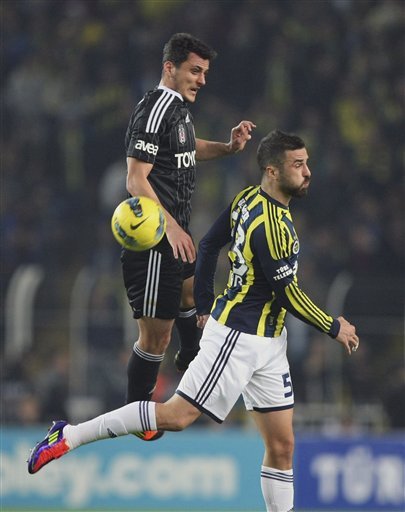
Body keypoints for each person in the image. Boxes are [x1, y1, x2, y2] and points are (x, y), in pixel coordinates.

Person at [28, 129, 359, 512]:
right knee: (176, 415)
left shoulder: (246, 200)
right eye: (298, 165)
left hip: (270, 342)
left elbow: (207, 244)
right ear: (272, 170)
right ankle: (68, 436)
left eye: (306, 163)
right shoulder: (269, 225)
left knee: (282, 446)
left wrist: (203, 303)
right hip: (240, 337)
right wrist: (333, 326)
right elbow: (288, 293)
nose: (308, 172)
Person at [121, 32, 255, 440]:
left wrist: (228, 148)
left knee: (195, 295)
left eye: (204, 72)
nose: (201, 79)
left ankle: (191, 354)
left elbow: (186, 148)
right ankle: (136, 413)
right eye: (194, 71)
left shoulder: (178, 110)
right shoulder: (156, 108)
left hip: (175, 234)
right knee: (154, 337)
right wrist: (172, 226)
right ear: (170, 68)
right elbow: (134, 179)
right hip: (155, 240)